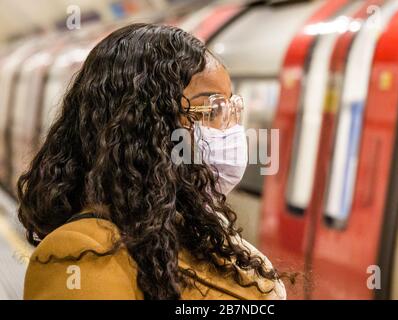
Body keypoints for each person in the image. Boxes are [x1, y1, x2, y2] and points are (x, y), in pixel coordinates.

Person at [18, 23, 287, 300]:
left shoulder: (200, 230)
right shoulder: (77, 254)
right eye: (213, 109)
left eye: (232, 108)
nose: (231, 131)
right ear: (144, 126)